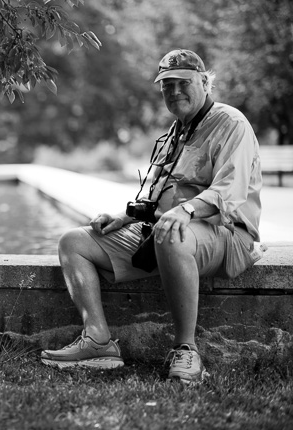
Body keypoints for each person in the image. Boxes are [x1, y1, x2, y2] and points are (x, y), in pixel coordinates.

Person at [40, 49, 263, 383]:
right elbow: (155, 195)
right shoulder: (176, 131)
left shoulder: (231, 123)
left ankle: (186, 350)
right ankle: (98, 340)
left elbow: (229, 192)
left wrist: (185, 211)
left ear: (204, 82)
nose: (174, 92)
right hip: (167, 233)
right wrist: (122, 217)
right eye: (166, 85)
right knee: (73, 242)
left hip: (226, 233)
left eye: (182, 82)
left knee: (170, 233)